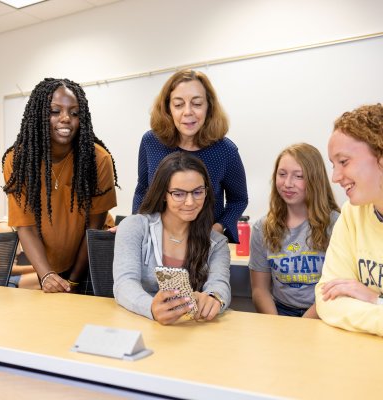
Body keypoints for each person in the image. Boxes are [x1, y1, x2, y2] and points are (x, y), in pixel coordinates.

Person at [2, 78, 118, 294]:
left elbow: (93, 227)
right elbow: (25, 227)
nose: (66, 119)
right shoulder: (18, 161)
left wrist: (73, 281)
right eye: (55, 111)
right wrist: (46, 274)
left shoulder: (98, 160)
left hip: (94, 257)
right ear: (38, 114)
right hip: (49, 260)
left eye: (74, 113)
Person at [114, 152, 231, 325]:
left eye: (198, 192)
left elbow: (220, 284)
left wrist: (213, 299)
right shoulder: (134, 226)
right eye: (179, 194)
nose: (190, 202)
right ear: (163, 194)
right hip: (139, 324)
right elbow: (124, 283)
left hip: (188, 330)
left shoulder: (217, 243)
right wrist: (151, 308)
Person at [132, 69, 248, 243]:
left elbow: (238, 200)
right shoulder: (151, 141)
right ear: (168, 108)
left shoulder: (226, 150)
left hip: (203, 245)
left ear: (209, 107)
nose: (188, 112)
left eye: (197, 104)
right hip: (156, 242)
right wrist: (134, 228)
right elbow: (143, 189)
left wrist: (217, 229)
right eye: (178, 105)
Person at [249, 143, 340, 318]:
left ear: (315, 180)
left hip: (323, 312)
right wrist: (277, 324)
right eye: (282, 174)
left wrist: (302, 326)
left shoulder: (336, 224)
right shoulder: (262, 228)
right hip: (279, 312)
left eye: (299, 176)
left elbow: (336, 290)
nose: (287, 183)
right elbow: (260, 290)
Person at [316, 104, 383, 335]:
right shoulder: (352, 214)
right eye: (333, 165)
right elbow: (327, 299)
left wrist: (376, 300)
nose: (335, 177)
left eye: (343, 162)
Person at [0, 219, 40, 290]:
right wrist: (40, 268)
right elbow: (1, 268)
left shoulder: (25, 230)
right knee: (52, 279)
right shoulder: (4, 229)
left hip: (12, 275)